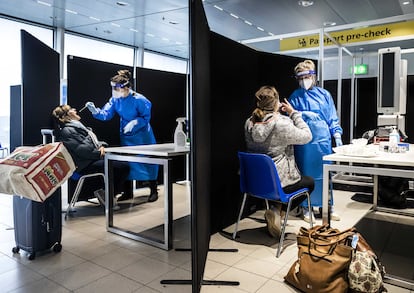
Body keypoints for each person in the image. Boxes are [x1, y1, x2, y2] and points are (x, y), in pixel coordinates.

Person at [244, 85, 314, 238]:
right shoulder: (281, 123)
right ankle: (277, 212)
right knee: (309, 183)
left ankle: (275, 212)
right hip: (277, 184)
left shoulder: (249, 122)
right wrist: (294, 114)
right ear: (276, 102)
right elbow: (307, 136)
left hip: (254, 183)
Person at [85, 69, 159, 203]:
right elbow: (106, 114)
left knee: (147, 162)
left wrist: (135, 122)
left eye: (115, 88)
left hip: (142, 136)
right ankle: (128, 192)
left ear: (125, 87)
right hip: (126, 135)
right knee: (129, 162)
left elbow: (145, 117)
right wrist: (96, 111)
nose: (113, 91)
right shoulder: (115, 100)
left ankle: (153, 190)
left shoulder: (140, 99)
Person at [288, 59, 343, 222]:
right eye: (301, 78)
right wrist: (303, 114)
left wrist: (337, 134)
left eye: (307, 77)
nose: (304, 81)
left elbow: (332, 116)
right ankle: (306, 207)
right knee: (307, 175)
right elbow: (290, 118)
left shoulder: (324, 95)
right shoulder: (295, 96)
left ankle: (328, 206)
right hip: (304, 144)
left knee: (325, 174)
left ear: (314, 77)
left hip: (322, 140)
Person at [51, 105, 131, 206]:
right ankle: (107, 195)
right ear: (65, 117)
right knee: (122, 167)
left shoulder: (77, 127)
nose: (75, 109)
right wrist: (99, 153)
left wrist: (101, 145)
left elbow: (92, 142)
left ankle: (107, 194)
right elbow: (84, 150)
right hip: (85, 165)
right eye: (71, 109)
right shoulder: (68, 131)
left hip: (90, 160)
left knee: (121, 165)